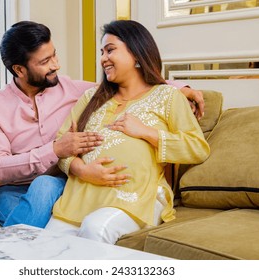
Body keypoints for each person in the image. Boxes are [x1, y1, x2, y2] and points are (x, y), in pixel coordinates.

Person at [0, 20, 206, 229]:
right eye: (45, 61)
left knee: (45, 186)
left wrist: (182, 88)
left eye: (54, 55)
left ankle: (12, 250)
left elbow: (131, 82)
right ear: (19, 70)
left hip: (60, 182)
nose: (56, 65)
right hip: (15, 188)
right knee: (37, 205)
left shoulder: (73, 89)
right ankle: (13, 254)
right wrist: (56, 150)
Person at [45, 20, 210, 244]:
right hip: (78, 199)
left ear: (136, 52)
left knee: (96, 228)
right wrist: (82, 170)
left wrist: (146, 133)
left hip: (138, 198)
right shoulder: (90, 99)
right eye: (102, 52)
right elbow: (62, 146)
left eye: (110, 49)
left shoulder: (168, 97)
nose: (103, 58)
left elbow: (197, 147)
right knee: (46, 248)